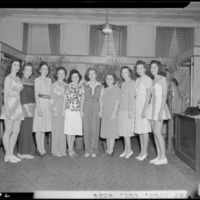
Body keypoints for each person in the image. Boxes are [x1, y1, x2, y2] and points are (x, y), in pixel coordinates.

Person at [147, 60, 171, 165]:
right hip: (152, 108)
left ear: (159, 68)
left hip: (159, 108)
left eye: (155, 67)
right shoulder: (153, 80)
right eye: (151, 67)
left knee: (157, 132)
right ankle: (159, 156)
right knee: (154, 133)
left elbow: (164, 96)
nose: (153, 69)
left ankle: (164, 157)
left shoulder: (163, 79)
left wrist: (161, 112)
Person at [0, 59, 24, 163]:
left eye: (18, 65)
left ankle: (10, 153)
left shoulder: (18, 78)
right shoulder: (8, 78)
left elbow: (18, 93)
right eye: (14, 65)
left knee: (16, 130)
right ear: (11, 66)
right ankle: (8, 155)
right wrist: (7, 110)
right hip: (9, 106)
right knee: (8, 130)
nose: (16, 67)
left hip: (17, 107)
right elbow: (5, 95)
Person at [81, 67, 103, 158]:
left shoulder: (101, 86)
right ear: (88, 75)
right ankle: (87, 149)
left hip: (96, 106)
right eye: (90, 74)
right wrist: (81, 110)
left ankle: (94, 150)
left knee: (95, 128)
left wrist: (101, 110)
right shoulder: (84, 85)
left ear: (96, 75)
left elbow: (101, 99)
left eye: (93, 73)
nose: (91, 75)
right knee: (86, 129)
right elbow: (82, 99)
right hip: (86, 106)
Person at [134, 61, 152, 161]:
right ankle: (141, 152)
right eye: (137, 68)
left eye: (141, 68)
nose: (139, 70)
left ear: (145, 69)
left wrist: (145, 110)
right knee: (140, 131)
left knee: (144, 130)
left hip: (144, 106)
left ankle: (145, 152)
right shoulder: (137, 80)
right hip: (138, 105)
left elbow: (148, 95)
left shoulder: (148, 79)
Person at [33, 61, 52, 157]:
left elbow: (50, 94)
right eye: (43, 68)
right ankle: (38, 148)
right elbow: (36, 94)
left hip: (47, 104)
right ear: (40, 70)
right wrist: (39, 108)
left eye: (46, 69)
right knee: (38, 128)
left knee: (43, 128)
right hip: (40, 103)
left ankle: (42, 147)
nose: (45, 70)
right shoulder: (37, 80)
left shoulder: (49, 80)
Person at [64, 69, 84, 158]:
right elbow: (64, 99)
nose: (75, 78)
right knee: (69, 131)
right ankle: (70, 150)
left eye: (77, 76)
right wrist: (63, 111)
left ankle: (71, 149)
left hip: (77, 112)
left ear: (79, 77)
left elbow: (82, 99)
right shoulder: (68, 86)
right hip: (70, 111)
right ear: (71, 78)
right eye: (73, 77)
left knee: (74, 131)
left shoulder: (81, 87)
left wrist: (81, 110)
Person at [17, 63, 36, 159]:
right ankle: (23, 153)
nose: (30, 71)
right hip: (26, 109)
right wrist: (27, 110)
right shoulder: (22, 81)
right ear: (23, 71)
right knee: (25, 130)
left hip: (31, 108)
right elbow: (23, 97)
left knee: (28, 131)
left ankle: (24, 152)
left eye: (31, 70)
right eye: (27, 70)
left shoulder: (30, 81)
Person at [100, 73, 120, 157]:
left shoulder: (116, 89)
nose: (108, 80)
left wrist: (114, 113)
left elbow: (117, 102)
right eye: (107, 79)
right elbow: (101, 100)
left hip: (112, 112)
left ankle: (111, 150)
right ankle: (108, 149)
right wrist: (101, 111)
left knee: (111, 133)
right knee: (107, 132)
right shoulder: (104, 89)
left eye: (110, 79)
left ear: (114, 80)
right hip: (105, 112)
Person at [118, 66, 135, 159]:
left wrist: (130, 111)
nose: (124, 74)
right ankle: (126, 150)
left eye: (126, 72)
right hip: (121, 110)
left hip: (127, 110)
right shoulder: (123, 83)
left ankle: (130, 150)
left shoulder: (132, 83)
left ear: (129, 73)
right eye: (122, 72)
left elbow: (132, 98)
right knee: (123, 132)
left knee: (127, 132)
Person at [50, 67, 67, 157]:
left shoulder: (66, 85)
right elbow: (51, 98)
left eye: (63, 73)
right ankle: (55, 150)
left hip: (64, 110)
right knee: (56, 130)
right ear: (57, 74)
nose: (61, 75)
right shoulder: (53, 85)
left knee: (63, 131)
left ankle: (62, 149)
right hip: (56, 110)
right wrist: (54, 109)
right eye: (59, 73)